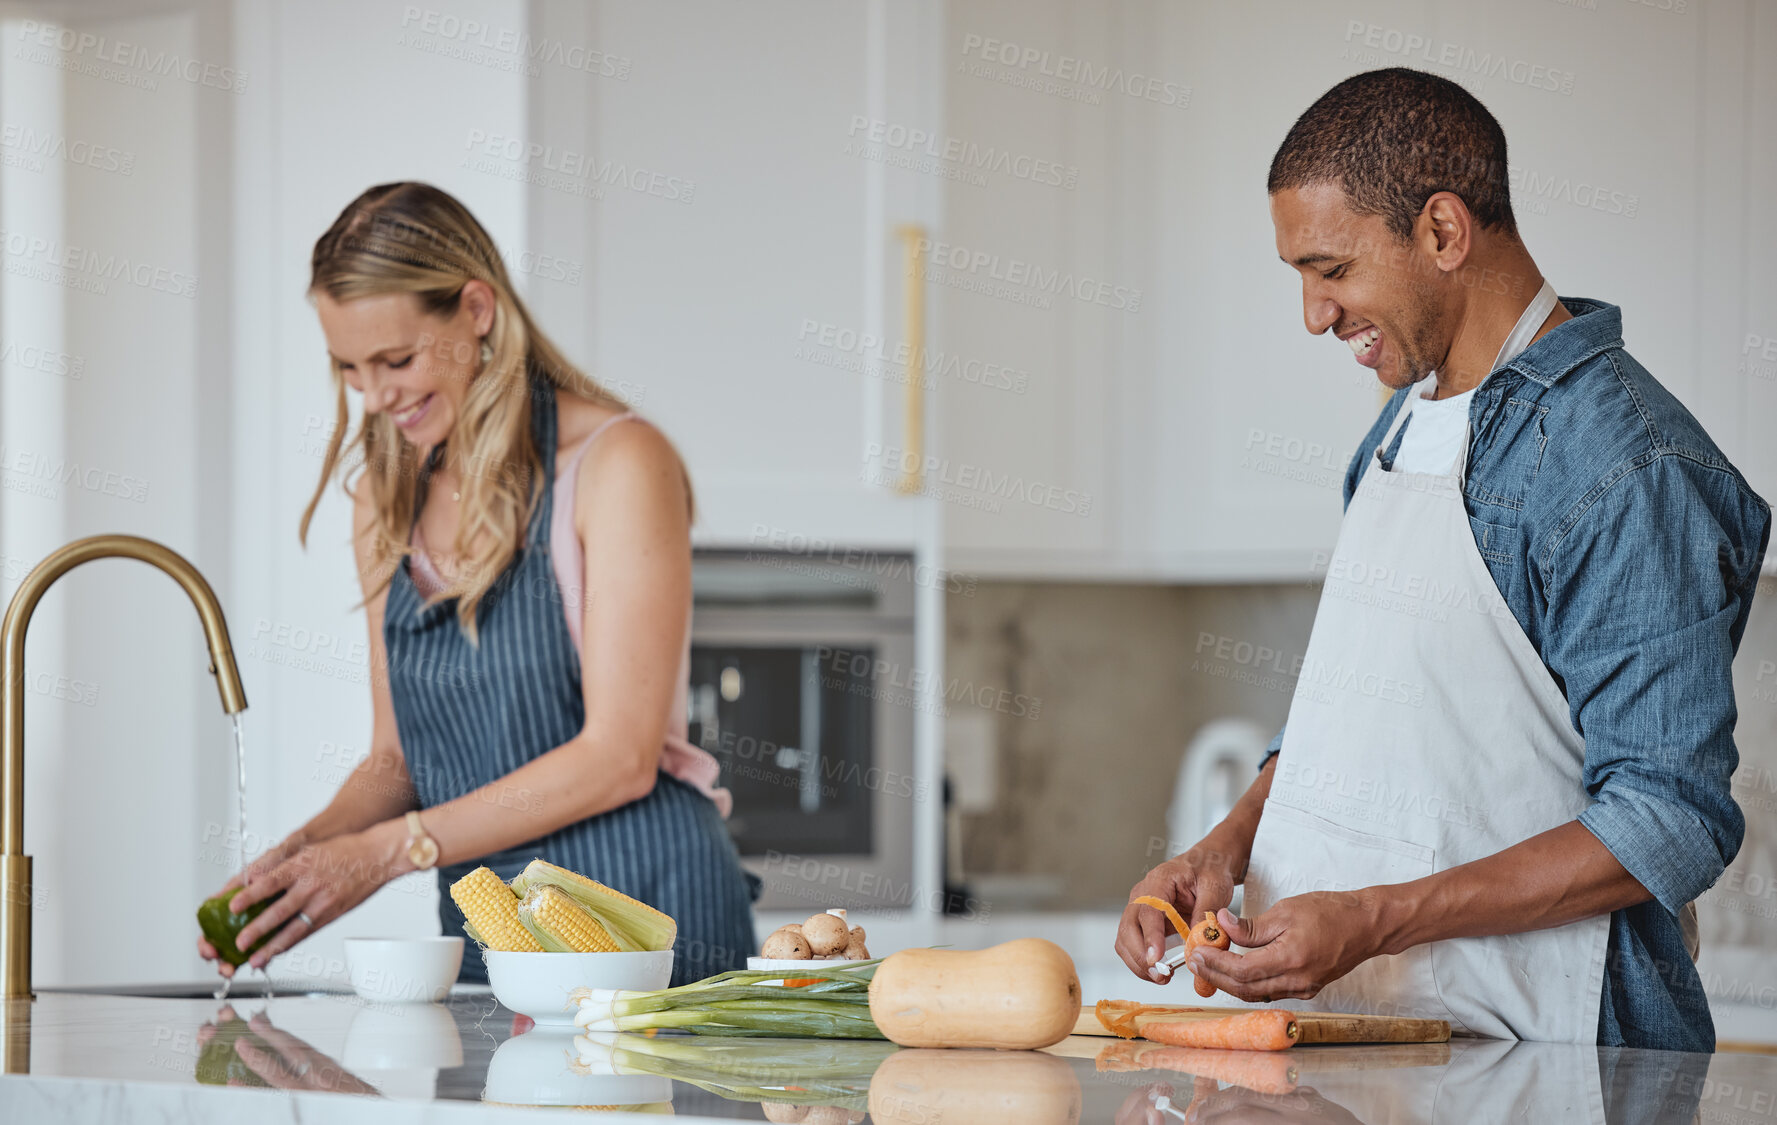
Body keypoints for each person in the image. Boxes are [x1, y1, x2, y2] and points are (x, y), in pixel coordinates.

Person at [1117, 69, 1770, 1051]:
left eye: (1329, 270)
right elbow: (1379, 714)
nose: (1312, 314)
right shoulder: (1402, 426)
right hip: (1376, 1052)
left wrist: (1375, 917)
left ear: (1440, 233)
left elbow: (1666, 820)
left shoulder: (1623, 463)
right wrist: (1228, 841)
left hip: (1542, 1062)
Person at [197, 181, 758, 986]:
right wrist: (308, 860)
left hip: (650, 912)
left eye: (397, 359)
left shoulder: (617, 465)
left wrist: (386, 854)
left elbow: (621, 756)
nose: (377, 395)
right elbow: (397, 761)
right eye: (350, 368)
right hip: (489, 926)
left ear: (477, 310)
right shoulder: (383, 497)